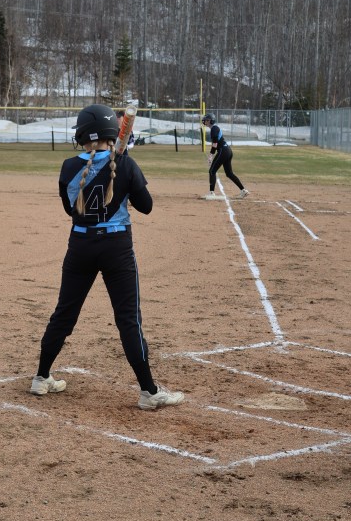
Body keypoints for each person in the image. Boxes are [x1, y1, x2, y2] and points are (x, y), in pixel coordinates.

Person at [30, 104, 184, 410]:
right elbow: (146, 206)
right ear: (113, 133)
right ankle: (149, 391)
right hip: (116, 247)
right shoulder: (125, 164)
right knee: (128, 319)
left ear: (82, 134)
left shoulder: (68, 167)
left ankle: (41, 376)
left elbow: (70, 209)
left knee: (64, 314)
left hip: (80, 246)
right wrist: (126, 175)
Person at [202, 113, 248, 199]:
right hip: (228, 151)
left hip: (223, 151)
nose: (204, 121)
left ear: (210, 121)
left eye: (206, 120)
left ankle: (211, 193)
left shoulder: (214, 128)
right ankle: (243, 190)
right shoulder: (214, 128)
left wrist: (211, 155)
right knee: (229, 173)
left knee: (212, 171)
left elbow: (215, 143)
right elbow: (216, 143)